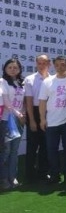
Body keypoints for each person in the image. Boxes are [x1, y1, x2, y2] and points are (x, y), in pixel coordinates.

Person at [38, 56, 66, 186]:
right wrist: (42, 119)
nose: (60, 67)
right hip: (51, 122)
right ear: (53, 66)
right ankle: (55, 175)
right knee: (51, 150)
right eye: (57, 65)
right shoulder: (47, 81)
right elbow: (42, 102)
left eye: (63, 64)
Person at [24, 54, 51, 183]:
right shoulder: (29, 79)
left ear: (49, 64)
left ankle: (43, 173)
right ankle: (29, 175)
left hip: (49, 113)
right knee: (32, 146)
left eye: (44, 63)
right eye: (39, 63)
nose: (41, 66)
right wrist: (33, 120)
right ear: (36, 64)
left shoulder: (53, 79)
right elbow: (28, 101)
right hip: (34, 112)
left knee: (45, 145)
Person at [0, 58, 26, 189]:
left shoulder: (21, 83)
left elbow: (25, 102)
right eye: (9, 67)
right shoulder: (2, 82)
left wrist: (23, 115)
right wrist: (19, 115)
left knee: (15, 151)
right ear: (5, 68)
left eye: (15, 67)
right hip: (7, 120)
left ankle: (13, 177)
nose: (12, 69)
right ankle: (3, 179)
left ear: (19, 69)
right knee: (6, 151)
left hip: (19, 121)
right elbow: (6, 103)